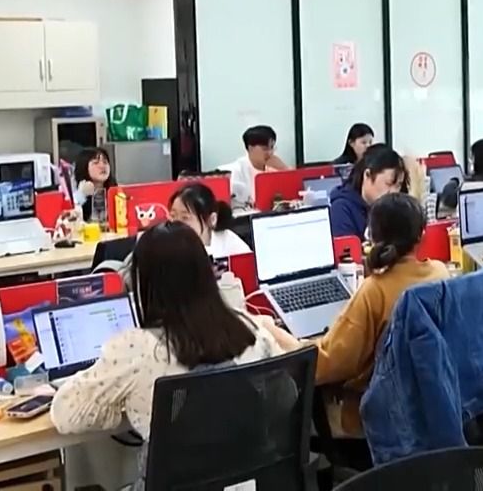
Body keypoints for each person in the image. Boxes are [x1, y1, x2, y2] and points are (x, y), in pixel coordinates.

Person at [51, 222, 282, 441]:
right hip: (252, 468)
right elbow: (286, 394)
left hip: (180, 470)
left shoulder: (137, 348)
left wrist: (115, 402)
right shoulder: (246, 327)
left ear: (142, 282)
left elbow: (66, 414)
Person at [264, 193, 450, 437]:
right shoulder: (440, 274)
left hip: (371, 415)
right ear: (421, 235)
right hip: (427, 403)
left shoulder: (375, 291)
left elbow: (322, 364)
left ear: (372, 236)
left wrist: (272, 329)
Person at [328, 144, 407, 239]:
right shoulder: (342, 209)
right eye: (389, 183)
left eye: (398, 185)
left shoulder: (395, 208)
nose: (394, 192)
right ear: (367, 175)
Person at [167, 183, 251, 261]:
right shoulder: (167, 245)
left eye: (185, 218)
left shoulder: (229, 241)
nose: (176, 223)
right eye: (173, 216)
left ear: (212, 219)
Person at [221, 125, 288, 208]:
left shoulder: (275, 166)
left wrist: (284, 168)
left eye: (272, 147)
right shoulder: (236, 171)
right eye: (265, 149)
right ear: (250, 148)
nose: (270, 153)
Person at [73, 147, 117, 223]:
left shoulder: (115, 191)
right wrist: (81, 196)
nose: (102, 166)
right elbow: (70, 219)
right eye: (96, 163)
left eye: (105, 162)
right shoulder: (76, 194)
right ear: (84, 166)